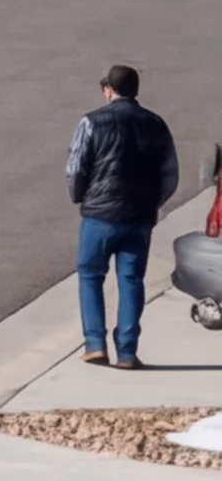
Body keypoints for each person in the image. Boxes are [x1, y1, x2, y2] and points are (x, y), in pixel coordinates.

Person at [73, 63, 181, 368]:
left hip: (99, 216)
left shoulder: (92, 121)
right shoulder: (156, 124)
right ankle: (127, 351)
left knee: (90, 275)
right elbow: (170, 174)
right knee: (131, 280)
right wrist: (152, 205)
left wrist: (80, 195)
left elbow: (76, 166)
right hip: (139, 218)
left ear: (109, 90)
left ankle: (95, 344)